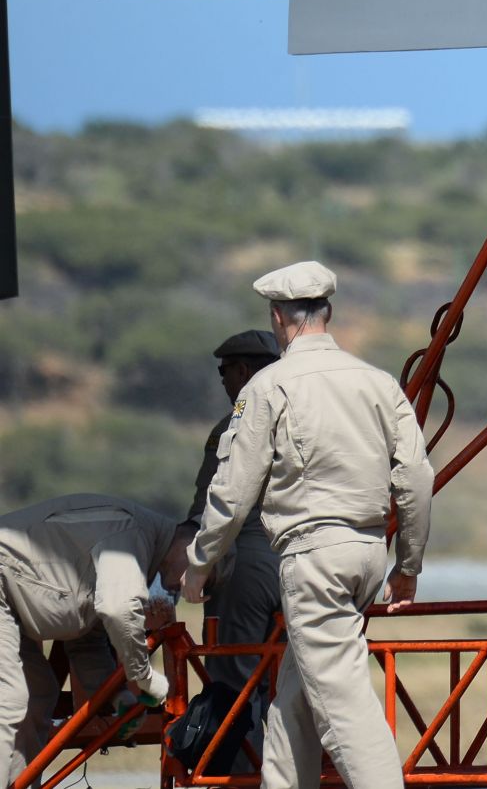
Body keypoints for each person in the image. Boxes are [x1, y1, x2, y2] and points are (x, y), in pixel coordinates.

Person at [183, 260, 433, 789]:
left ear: (277, 317)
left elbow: (231, 493)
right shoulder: (379, 383)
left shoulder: (270, 386)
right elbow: (414, 478)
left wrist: (199, 566)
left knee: (344, 710)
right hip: (367, 554)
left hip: (313, 558)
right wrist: (406, 566)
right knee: (294, 704)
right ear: (329, 312)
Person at [0, 494, 186, 784]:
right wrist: (145, 677)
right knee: (9, 700)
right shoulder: (132, 532)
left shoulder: (144, 547)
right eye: (204, 576)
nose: (186, 589)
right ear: (194, 546)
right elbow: (117, 608)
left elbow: (86, 639)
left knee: (37, 691)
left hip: (8, 598)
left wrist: (120, 696)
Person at [179, 329, 282, 767]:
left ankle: (237, 774)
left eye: (225, 372)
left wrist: (195, 560)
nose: (223, 381)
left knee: (234, 678)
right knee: (298, 680)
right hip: (303, 559)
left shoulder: (238, 423)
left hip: (248, 559)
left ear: (243, 371)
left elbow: (215, 501)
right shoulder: (301, 416)